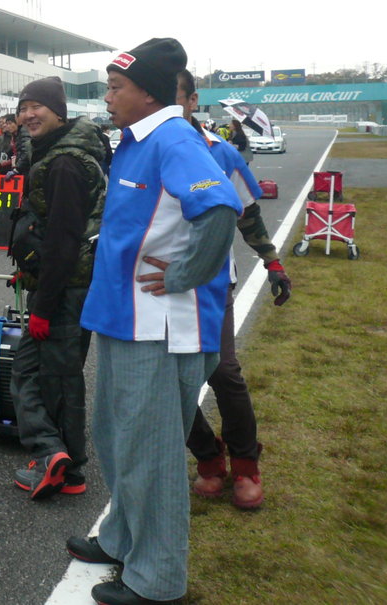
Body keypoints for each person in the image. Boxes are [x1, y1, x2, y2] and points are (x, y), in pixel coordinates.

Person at [65, 38, 242, 605]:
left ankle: (158, 581)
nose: (108, 96)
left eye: (116, 87)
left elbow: (219, 209)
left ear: (148, 93)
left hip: (158, 326)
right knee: (115, 440)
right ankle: (121, 540)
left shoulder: (173, 137)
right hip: (122, 316)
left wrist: (186, 274)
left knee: (152, 453)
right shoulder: (135, 139)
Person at [177, 71, 291, 510]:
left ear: (192, 101)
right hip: (154, 288)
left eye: (174, 96)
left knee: (223, 371)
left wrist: (272, 262)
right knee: (170, 382)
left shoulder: (220, 152)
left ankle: (246, 465)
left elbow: (247, 213)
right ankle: (209, 458)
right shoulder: (139, 148)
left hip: (209, 283)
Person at [7, 77, 105, 501]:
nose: (28, 114)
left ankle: (72, 469)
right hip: (56, 285)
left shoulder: (65, 161)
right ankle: (51, 452)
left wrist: (44, 304)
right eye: (22, 107)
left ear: (59, 111)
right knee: (28, 370)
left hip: (68, 290)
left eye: (37, 107)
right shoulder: (51, 153)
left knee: (61, 378)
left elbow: (65, 241)